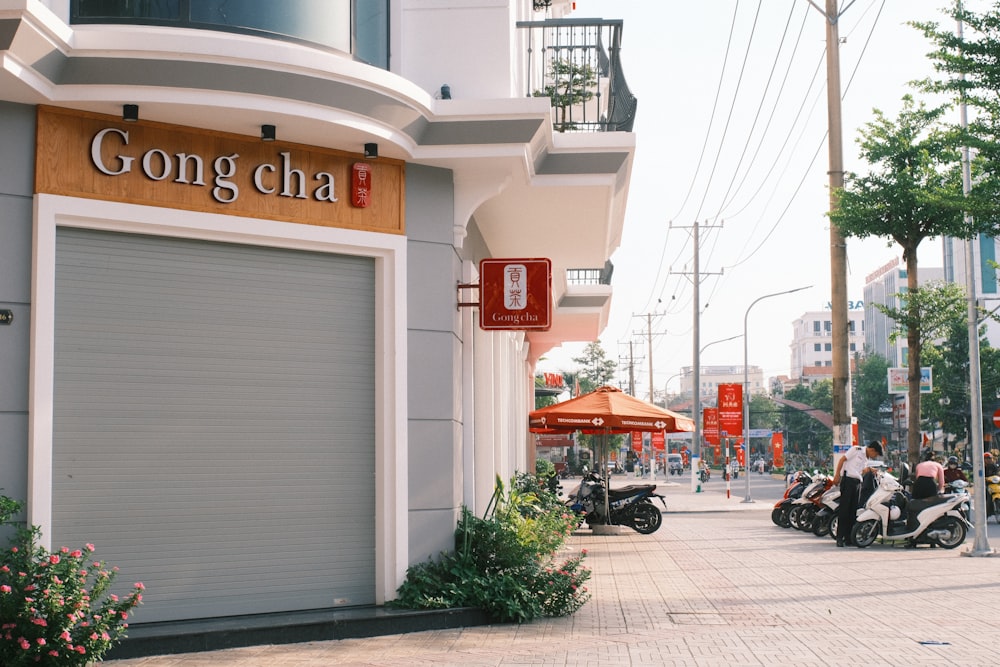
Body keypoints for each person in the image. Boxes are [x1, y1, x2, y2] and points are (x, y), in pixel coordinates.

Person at [833, 440, 884, 547]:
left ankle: (848, 538)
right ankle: (839, 537)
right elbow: (842, 460)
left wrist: (870, 469)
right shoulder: (856, 450)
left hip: (857, 483)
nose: (875, 456)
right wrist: (837, 475)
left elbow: (860, 471)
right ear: (872, 450)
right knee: (844, 510)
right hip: (848, 481)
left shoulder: (866, 458)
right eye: (875, 454)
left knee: (853, 511)